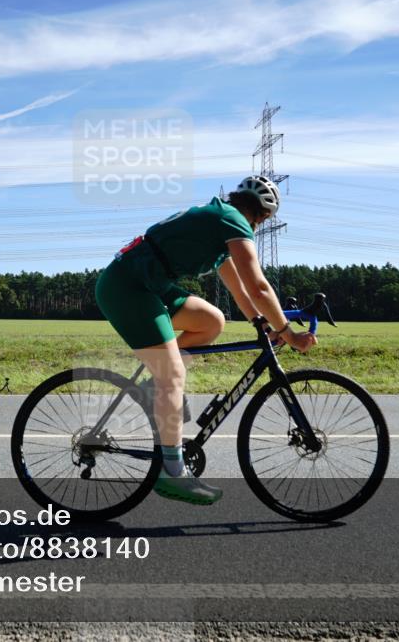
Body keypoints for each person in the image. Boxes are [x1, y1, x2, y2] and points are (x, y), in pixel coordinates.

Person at [95, 176, 317, 505]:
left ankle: (158, 388)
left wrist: (259, 322)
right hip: (129, 288)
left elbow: (240, 290)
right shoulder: (232, 220)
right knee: (172, 373)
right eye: (261, 222)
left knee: (212, 321)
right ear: (261, 216)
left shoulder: (221, 220)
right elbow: (258, 286)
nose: (257, 227)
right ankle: (172, 471)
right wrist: (288, 333)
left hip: (149, 285)